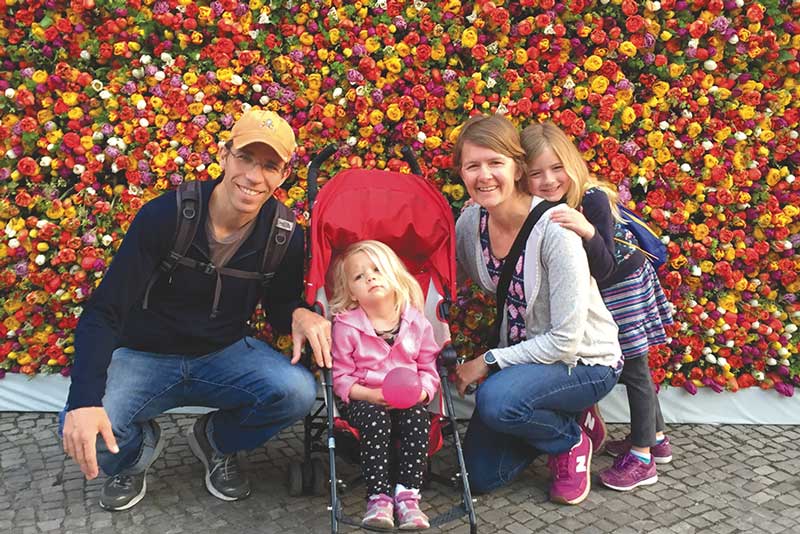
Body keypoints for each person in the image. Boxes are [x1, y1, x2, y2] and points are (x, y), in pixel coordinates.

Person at [60, 108, 332, 511]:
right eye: (245, 158)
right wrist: (84, 400)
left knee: (297, 392)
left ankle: (215, 440)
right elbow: (104, 312)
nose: (255, 177)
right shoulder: (165, 215)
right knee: (83, 426)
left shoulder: (284, 235)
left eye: (270, 166)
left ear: (284, 175)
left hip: (223, 354)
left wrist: (298, 312)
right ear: (224, 155)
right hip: (145, 357)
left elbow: (279, 308)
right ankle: (135, 454)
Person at [452, 114, 622, 505]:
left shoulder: (556, 229)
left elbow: (564, 340)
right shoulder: (470, 223)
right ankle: (554, 419)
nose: (484, 176)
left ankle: (569, 441)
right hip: (524, 366)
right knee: (481, 475)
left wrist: (488, 361)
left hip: (583, 361)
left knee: (497, 401)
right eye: (472, 165)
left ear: (517, 167)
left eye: (495, 163)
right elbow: (447, 284)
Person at [521, 121, 675, 492]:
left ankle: (642, 457)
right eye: (536, 173)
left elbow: (604, 266)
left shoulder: (589, 200)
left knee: (634, 367)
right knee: (635, 368)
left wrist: (586, 229)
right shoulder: (542, 205)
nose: (549, 179)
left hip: (622, 286)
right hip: (605, 287)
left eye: (557, 168)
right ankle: (656, 438)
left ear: (572, 163)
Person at [330, 240, 440, 529]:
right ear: (352, 293)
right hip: (364, 398)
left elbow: (429, 367)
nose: (370, 277)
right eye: (359, 276)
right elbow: (341, 377)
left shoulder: (416, 323)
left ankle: (408, 497)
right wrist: (368, 394)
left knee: (418, 418)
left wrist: (423, 392)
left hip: (408, 398)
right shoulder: (346, 326)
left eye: (377, 269)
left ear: (394, 275)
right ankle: (378, 498)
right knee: (375, 419)